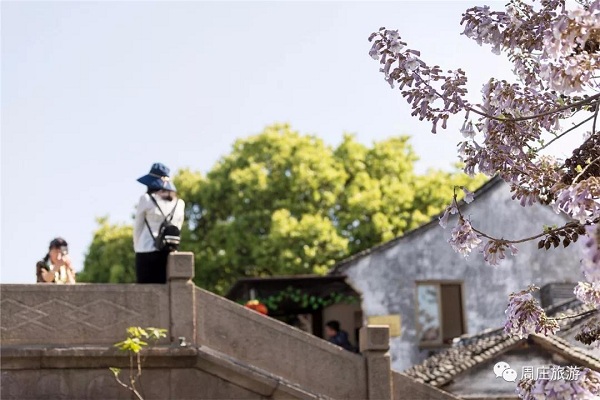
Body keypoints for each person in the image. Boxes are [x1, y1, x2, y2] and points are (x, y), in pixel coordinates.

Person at [133, 162, 185, 284]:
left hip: (145, 250)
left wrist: (137, 247)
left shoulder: (145, 199)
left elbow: (138, 227)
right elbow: (177, 228)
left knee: (145, 292)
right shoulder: (179, 203)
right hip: (168, 252)